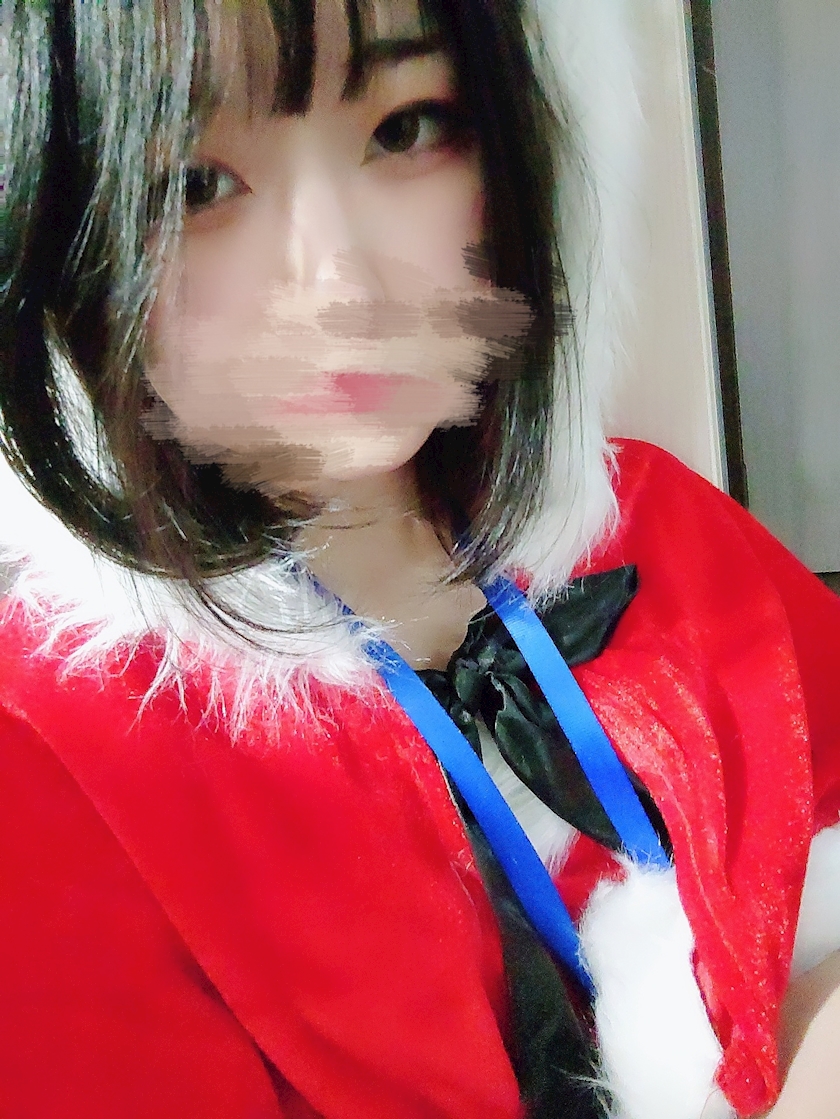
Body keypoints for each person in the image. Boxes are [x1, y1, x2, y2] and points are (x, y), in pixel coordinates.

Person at [1, 1, 840, 1117]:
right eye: (193, 187)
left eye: (406, 128)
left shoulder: (655, 521)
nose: (344, 284)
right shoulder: (53, 753)